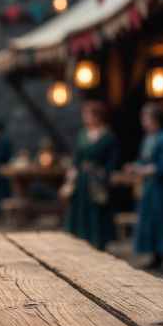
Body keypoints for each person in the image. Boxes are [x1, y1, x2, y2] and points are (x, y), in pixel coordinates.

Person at [124, 104, 163, 268]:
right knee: (148, 218)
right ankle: (153, 253)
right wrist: (136, 166)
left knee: (160, 218)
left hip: (162, 186)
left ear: (156, 119)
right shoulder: (148, 138)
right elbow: (143, 159)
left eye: (146, 118)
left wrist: (149, 169)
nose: (143, 122)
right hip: (149, 185)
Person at [65, 101, 118, 250]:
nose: (85, 118)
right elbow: (76, 156)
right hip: (82, 178)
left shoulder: (108, 136)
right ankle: (82, 240)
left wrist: (103, 172)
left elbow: (113, 160)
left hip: (97, 179)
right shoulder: (83, 134)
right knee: (81, 208)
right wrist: (72, 169)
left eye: (88, 114)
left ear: (98, 116)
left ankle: (99, 241)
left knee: (98, 208)